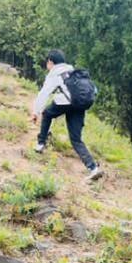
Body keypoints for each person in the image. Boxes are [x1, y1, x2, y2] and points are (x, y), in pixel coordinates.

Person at [31, 49, 103, 182]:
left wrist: (35, 112)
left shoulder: (55, 74)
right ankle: (93, 168)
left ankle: (40, 144)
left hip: (65, 103)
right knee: (76, 139)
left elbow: (44, 94)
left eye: (47, 62)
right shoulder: (73, 71)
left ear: (50, 62)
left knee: (46, 113)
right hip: (79, 105)